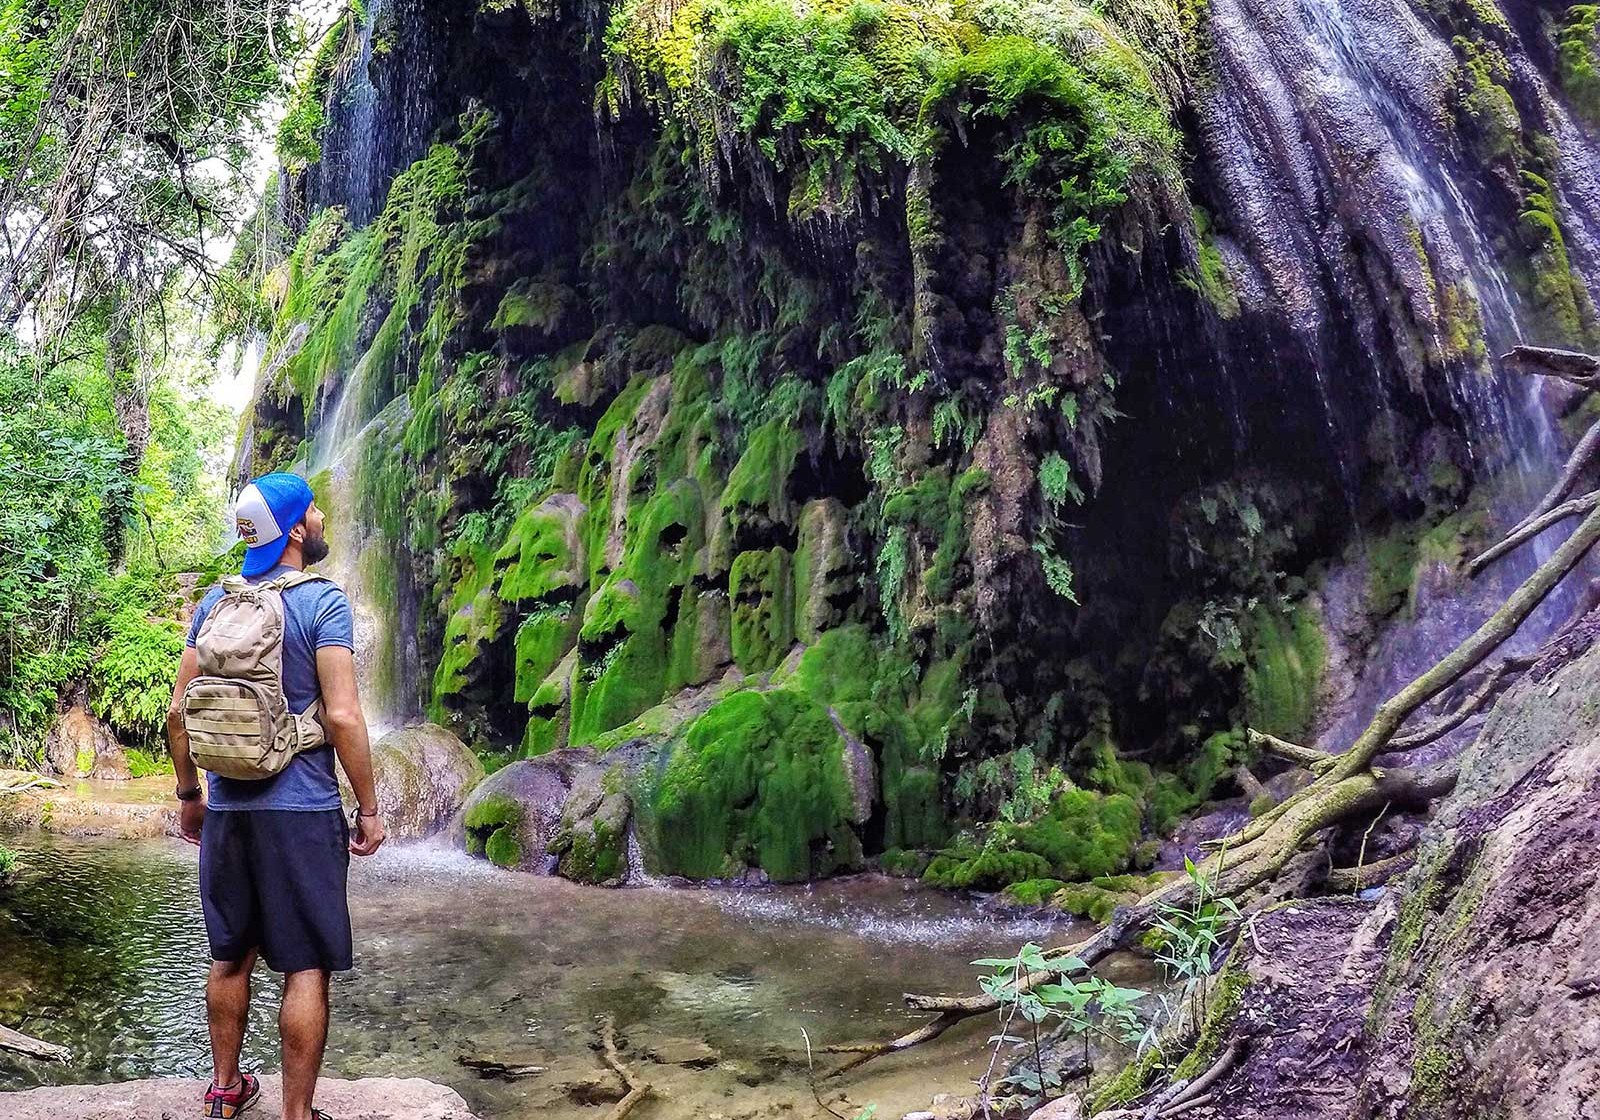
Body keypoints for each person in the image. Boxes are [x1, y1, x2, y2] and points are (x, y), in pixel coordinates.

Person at [167, 471, 386, 1120]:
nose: (320, 517)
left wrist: (190, 796)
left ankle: (226, 1091)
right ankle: (295, 1115)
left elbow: (179, 712)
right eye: (312, 511)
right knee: (306, 966)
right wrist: (369, 809)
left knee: (229, 956)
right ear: (294, 529)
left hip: (230, 811)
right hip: (303, 811)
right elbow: (343, 716)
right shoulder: (323, 602)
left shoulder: (214, 604)